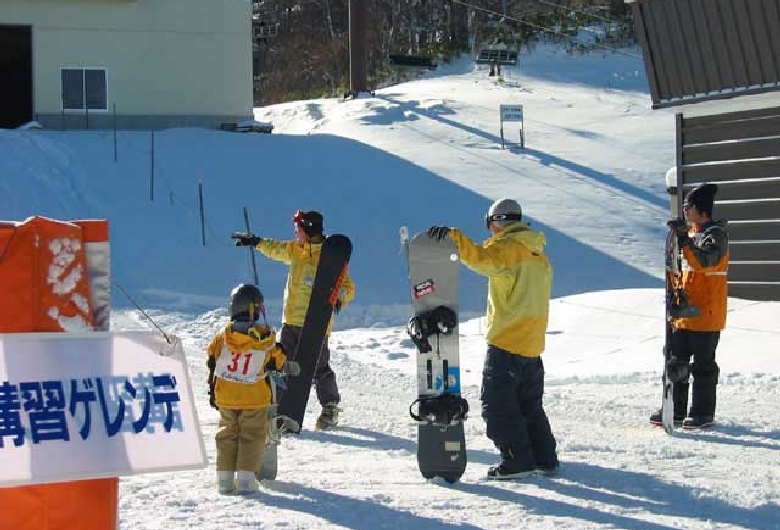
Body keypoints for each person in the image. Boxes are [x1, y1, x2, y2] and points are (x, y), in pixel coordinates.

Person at [427, 198, 558, 479]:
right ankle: (544, 458)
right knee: (528, 405)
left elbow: (479, 258)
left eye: (490, 226)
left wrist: (454, 238)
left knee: (498, 407)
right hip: (533, 343)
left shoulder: (507, 249)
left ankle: (517, 461)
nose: (491, 233)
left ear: (496, 222)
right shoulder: (538, 254)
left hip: (507, 341)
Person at [232, 210, 355, 430]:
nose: (295, 234)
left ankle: (330, 406)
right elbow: (276, 249)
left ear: (308, 230)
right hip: (290, 321)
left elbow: (347, 287)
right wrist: (256, 242)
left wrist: (337, 300)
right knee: (281, 364)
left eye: (297, 230)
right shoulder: (296, 250)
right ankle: (277, 406)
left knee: (319, 367)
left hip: (316, 324)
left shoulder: (329, 257)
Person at [650, 183, 728, 430]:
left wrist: (683, 239)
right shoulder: (691, 234)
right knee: (676, 362)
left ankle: (702, 412)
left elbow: (705, 262)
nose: (685, 211)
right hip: (683, 314)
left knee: (703, 366)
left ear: (701, 210)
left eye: (689, 207)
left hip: (706, 313)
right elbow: (679, 270)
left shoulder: (715, 235)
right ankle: (675, 408)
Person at [206, 283, 291, 494]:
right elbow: (277, 360)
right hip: (254, 398)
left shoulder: (222, 337)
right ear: (255, 309)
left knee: (226, 434)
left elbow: (211, 362)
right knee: (251, 436)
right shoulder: (264, 337)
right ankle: (245, 479)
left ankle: (224, 480)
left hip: (225, 397)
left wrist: (212, 391)